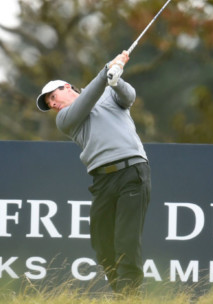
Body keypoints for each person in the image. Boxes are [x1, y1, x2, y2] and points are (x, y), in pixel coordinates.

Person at [36, 50, 152, 295]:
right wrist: (106, 71)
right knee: (102, 244)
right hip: (102, 180)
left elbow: (129, 97)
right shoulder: (65, 119)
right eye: (50, 104)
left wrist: (115, 79)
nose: (53, 104)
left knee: (126, 243)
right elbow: (86, 101)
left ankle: (129, 298)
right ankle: (123, 293)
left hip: (132, 172)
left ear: (68, 87)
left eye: (53, 97)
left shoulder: (109, 91)